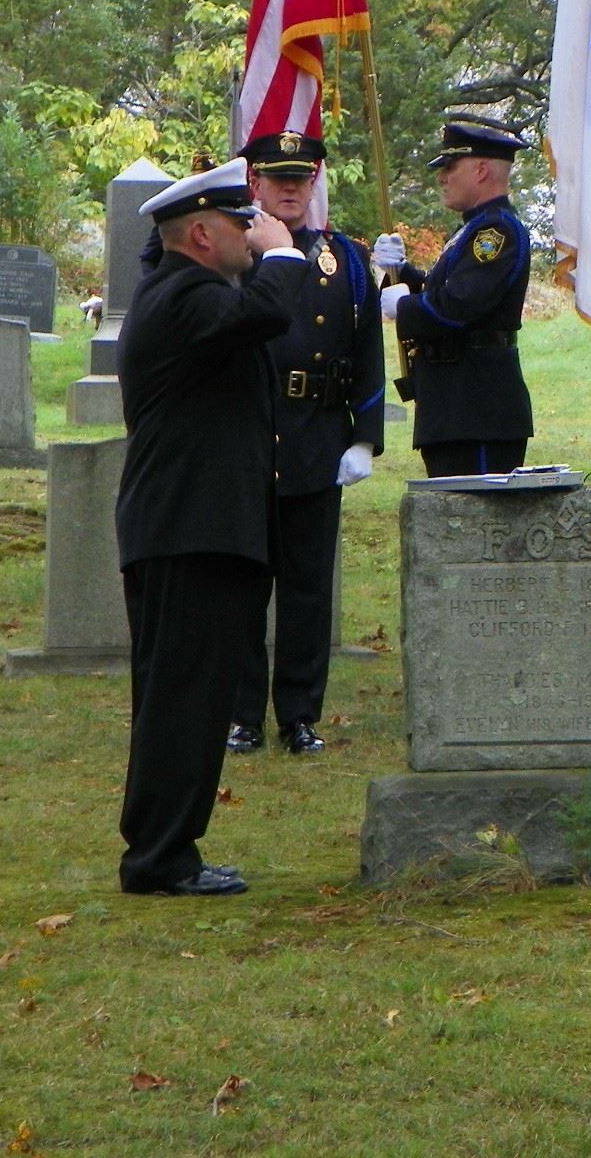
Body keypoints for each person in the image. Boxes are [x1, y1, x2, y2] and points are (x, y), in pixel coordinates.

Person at [114, 158, 307, 895]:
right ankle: (160, 857)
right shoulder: (182, 294)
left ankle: (166, 849)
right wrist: (284, 252)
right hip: (187, 532)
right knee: (182, 698)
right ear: (200, 233)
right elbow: (263, 314)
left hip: (198, 529)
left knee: (185, 695)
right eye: (239, 221)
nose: (252, 232)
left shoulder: (188, 292)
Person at [224, 131, 384, 759]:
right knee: (242, 585)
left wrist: (365, 437)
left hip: (318, 434)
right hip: (250, 435)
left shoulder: (344, 259)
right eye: (277, 178)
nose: (289, 189)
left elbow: (367, 348)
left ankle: (299, 715)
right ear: (254, 185)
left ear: (314, 182)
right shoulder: (237, 253)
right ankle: (241, 714)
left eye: (300, 178)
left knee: (308, 589)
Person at [372, 116, 534, 477]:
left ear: (480, 170)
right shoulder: (473, 230)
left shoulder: (497, 231)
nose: (441, 177)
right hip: (454, 407)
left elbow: (459, 306)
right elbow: (442, 290)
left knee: (474, 523)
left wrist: (404, 305)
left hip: (477, 408)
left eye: (450, 167)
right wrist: (398, 273)